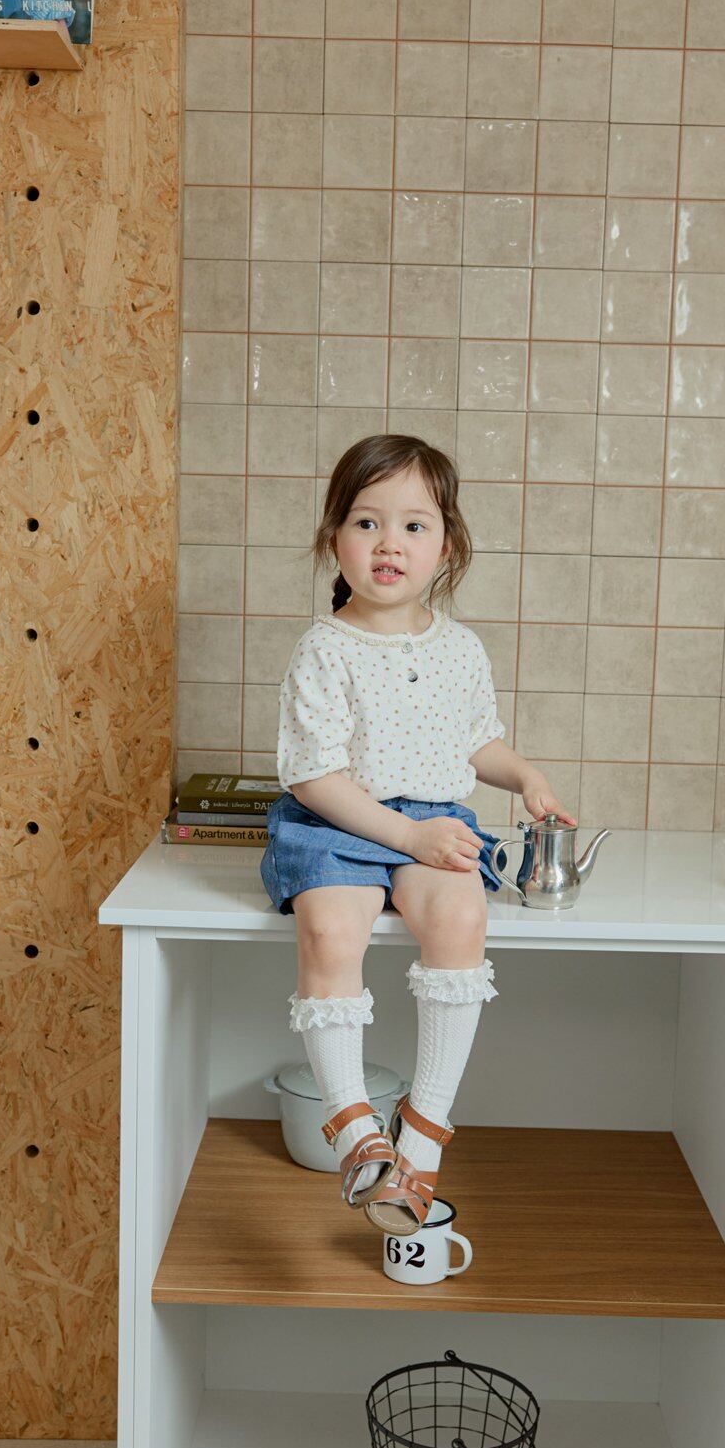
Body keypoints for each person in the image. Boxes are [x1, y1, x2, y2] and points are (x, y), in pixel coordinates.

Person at [260, 434, 576, 1236]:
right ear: (335, 538)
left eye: (413, 526)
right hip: (338, 821)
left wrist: (526, 776)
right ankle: (354, 1129)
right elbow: (315, 777)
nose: (388, 544)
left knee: (461, 918)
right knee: (330, 930)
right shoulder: (323, 648)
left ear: (447, 546)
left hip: (431, 822)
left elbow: (476, 742)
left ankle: (424, 1128)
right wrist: (409, 838)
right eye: (366, 523)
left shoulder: (460, 648)